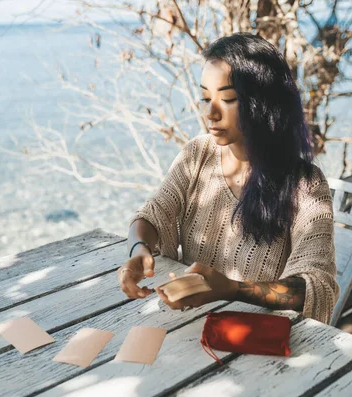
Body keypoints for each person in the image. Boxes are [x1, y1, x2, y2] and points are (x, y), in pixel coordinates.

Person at [117, 33, 340, 324]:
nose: (211, 113)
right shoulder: (198, 154)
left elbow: (315, 286)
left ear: (263, 102)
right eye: (206, 98)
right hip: (189, 324)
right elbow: (153, 214)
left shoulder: (305, 184)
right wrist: (139, 250)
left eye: (228, 99)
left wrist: (231, 290)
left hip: (254, 338)